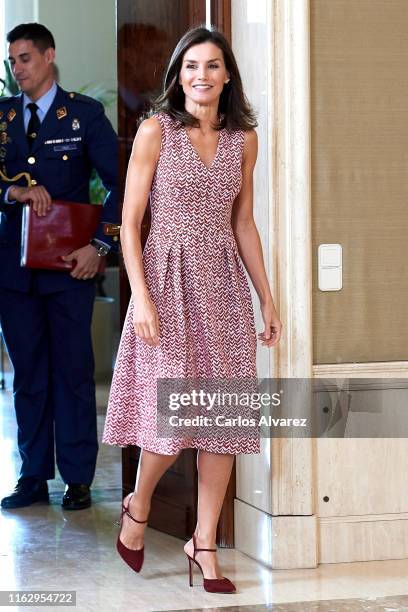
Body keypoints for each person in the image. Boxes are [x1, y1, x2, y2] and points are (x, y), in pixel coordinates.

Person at [102, 26, 281, 592]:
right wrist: (142, 299)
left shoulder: (244, 140)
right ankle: (139, 503)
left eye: (212, 66)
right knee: (171, 418)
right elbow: (130, 226)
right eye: (191, 67)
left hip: (224, 287)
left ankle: (204, 544)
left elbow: (243, 222)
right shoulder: (155, 132)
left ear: (228, 76)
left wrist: (266, 297)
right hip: (167, 283)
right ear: (177, 76)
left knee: (223, 424)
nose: (201, 76)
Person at [0, 23, 118, 510]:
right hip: (14, 271)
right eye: (12, 61)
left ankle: (77, 478)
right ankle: (31, 477)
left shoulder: (85, 116)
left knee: (72, 371)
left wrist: (100, 248)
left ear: (49, 56)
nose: (17, 69)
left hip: (71, 269)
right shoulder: (2, 117)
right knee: (28, 373)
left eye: (24, 58)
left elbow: (123, 187)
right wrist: (13, 191)